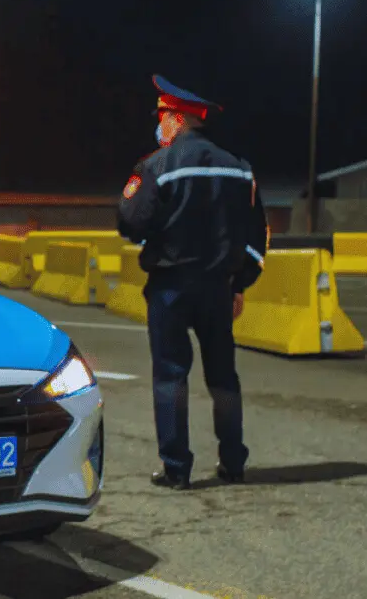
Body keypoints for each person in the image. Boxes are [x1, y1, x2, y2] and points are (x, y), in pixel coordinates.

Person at [117, 74, 270, 490]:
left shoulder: (156, 166)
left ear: (178, 118)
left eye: (162, 115)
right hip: (219, 288)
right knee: (224, 376)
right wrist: (241, 284)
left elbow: (130, 222)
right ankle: (233, 462)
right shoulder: (239, 169)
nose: (159, 123)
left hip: (171, 287)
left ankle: (176, 468)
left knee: (170, 376)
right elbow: (257, 237)